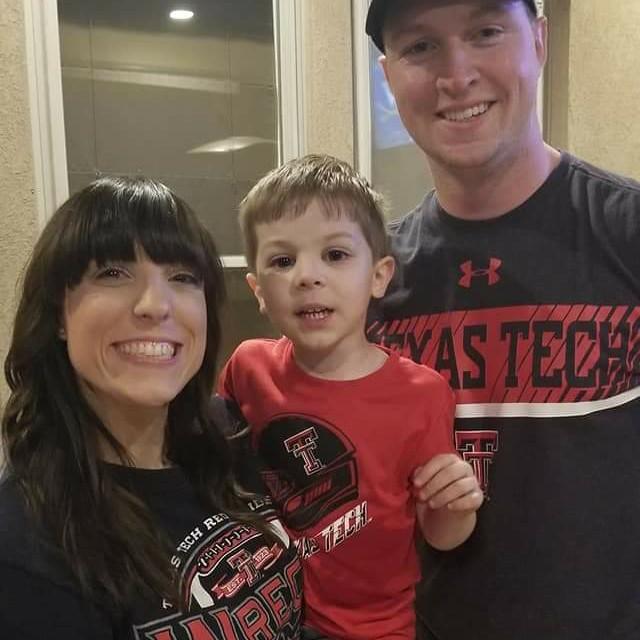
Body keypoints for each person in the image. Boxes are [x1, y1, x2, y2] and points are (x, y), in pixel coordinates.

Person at [364, 1, 640, 638]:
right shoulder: (373, 282)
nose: (457, 75)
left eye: (486, 32)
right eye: (420, 47)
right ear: (389, 76)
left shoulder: (626, 232)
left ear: (538, 42)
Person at [0, 176, 302, 639]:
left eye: (182, 277)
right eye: (112, 273)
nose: (156, 305)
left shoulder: (227, 431)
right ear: (59, 314)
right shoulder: (24, 543)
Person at [218, 154, 484, 640]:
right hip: (265, 622)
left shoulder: (421, 394)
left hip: (376, 630)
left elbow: (441, 535)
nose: (307, 276)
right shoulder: (246, 369)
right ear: (257, 290)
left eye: (336, 255)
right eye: (282, 261)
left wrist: (457, 504)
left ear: (379, 276)